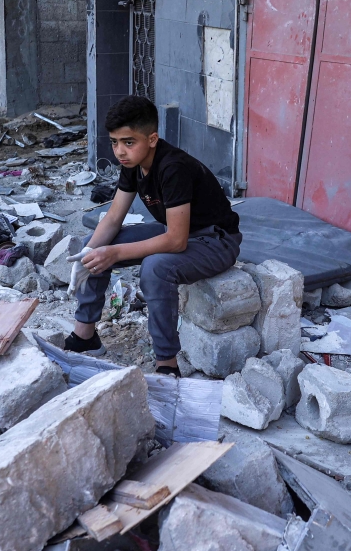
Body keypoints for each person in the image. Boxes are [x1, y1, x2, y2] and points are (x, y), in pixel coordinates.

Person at [65, 95, 242, 376]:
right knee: (94, 246)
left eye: (128, 142)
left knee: (155, 268)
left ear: (152, 139)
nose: (120, 151)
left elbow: (176, 241)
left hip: (215, 241)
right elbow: (112, 217)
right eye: (114, 142)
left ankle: (167, 364)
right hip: (180, 232)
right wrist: (88, 255)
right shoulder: (133, 165)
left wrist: (115, 254)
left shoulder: (173, 168)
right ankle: (85, 336)